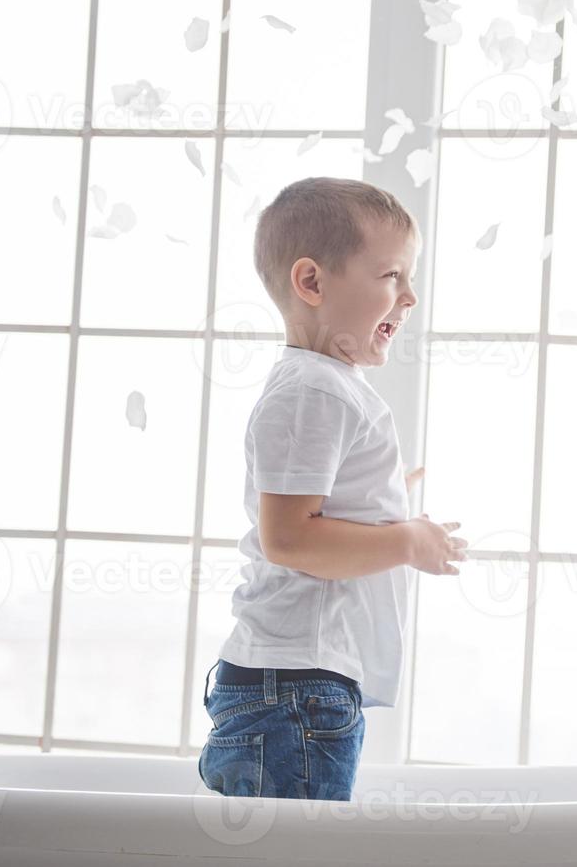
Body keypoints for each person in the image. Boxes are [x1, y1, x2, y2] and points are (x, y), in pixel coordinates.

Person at [197, 177, 467, 802]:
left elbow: (313, 507)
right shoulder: (312, 389)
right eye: (391, 277)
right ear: (313, 283)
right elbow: (290, 537)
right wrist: (403, 540)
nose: (411, 296)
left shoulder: (325, 386)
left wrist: (382, 500)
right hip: (293, 685)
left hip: (295, 680)